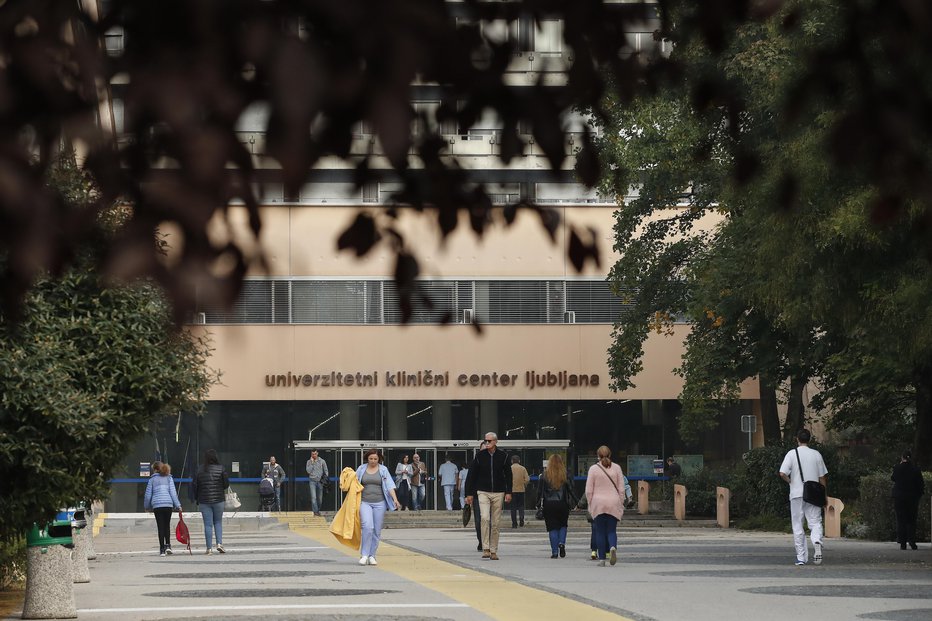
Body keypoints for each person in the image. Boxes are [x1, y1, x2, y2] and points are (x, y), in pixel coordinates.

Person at [779, 428, 828, 566]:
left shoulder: (791, 454)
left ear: (797, 439)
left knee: (797, 524)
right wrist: (824, 495)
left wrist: (791, 482)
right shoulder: (816, 454)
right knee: (815, 521)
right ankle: (817, 540)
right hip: (813, 493)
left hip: (796, 493)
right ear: (810, 439)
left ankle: (801, 557)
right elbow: (823, 477)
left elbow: (782, 473)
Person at [465, 432, 512, 560]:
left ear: (495, 442)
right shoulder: (480, 456)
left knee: (496, 522)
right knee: (485, 518)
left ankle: (493, 549)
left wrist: (509, 492)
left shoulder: (504, 456)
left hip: (498, 492)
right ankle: (485, 547)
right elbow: (472, 475)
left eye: (489, 441)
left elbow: (508, 475)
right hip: (483, 491)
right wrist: (468, 493)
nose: (486, 443)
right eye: (485, 441)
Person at [355, 449, 400, 565]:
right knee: (367, 526)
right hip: (364, 502)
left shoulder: (383, 470)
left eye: (375, 459)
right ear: (367, 458)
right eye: (371, 459)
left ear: (379, 459)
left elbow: (390, 485)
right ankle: (364, 554)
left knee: (376, 530)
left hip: (380, 503)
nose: (373, 461)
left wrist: (395, 499)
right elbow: (353, 483)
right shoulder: (361, 469)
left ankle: (372, 555)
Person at [585, 445, 626, 567]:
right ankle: (612, 547)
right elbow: (622, 488)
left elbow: (588, 490)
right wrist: (620, 501)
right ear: (610, 454)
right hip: (613, 502)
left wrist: (590, 502)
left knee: (600, 532)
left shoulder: (593, 469)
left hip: (598, 503)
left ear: (598, 456)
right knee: (611, 530)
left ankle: (602, 559)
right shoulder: (617, 468)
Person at [537, 454, 578, 558]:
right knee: (563, 525)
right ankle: (562, 543)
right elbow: (571, 490)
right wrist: (578, 503)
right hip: (562, 504)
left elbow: (540, 492)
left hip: (549, 504)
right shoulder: (565, 475)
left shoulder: (544, 475)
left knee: (552, 528)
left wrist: (537, 504)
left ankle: (554, 552)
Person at [193, 448, 229, 554]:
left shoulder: (200, 469)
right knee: (218, 522)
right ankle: (219, 544)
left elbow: (195, 485)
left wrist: (197, 498)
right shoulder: (221, 468)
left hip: (204, 501)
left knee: (208, 525)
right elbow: (226, 484)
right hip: (219, 500)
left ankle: (209, 549)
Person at [143, 462, 182, 556]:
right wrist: (178, 505)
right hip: (168, 504)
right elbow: (173, 493)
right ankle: (168, 546)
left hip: (157, 506)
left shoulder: (152, 480)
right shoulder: (169, 478)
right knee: (167, 526)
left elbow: (148, 495)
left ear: (155, 469)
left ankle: (162, 550)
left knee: (160, 527)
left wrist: (146, 506)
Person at [892, 449, 925, 550]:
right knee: (911, 520)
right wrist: (919, 495)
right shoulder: (916, 469)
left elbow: (893, 478)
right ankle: (912, 541)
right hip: (912, 498)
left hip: (900, 497)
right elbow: (920, 484)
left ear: (902, 458)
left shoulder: (897, 468)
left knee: (901, 520)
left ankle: (902, 543)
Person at [305, 449, 329, 516]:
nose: (314, 455)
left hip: (320, 481)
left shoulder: (322, 461)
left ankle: (317, 510)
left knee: (320, 499)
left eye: (315, 454)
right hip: (312, 481)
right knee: (313, 497)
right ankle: (315, 512)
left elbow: (326, 470)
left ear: (317, 453)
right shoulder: (309, 462)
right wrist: (312, 463)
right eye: (312, 454)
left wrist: (325, 478)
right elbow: (308, 471)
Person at [510, 455, 530, 527]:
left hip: (512, 490)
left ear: (512, 461)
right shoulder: (523, 468)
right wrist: (524, 484)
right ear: (519, 461)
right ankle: (521, 519)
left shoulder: (510, 468)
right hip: (521, 490)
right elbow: (527, 479)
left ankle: (514, 523)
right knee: (521, 506)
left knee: (513, 507)